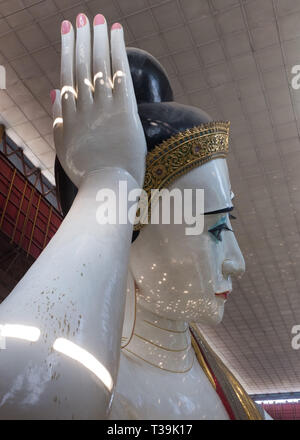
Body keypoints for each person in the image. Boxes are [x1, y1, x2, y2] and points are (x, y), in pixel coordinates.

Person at [0, 13, 262, 420]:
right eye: (214, 228)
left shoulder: (233, 395)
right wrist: (111, 178)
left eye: (229, 223)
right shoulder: (96, 395)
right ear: (127, 233)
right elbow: (18, 396)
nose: (237, 262)